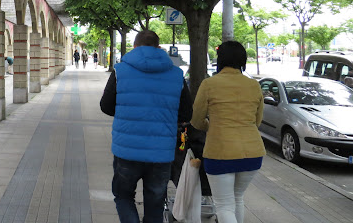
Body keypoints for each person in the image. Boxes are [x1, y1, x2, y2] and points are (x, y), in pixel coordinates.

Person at [100, 30, 192, 223]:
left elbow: (106, 106)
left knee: (123, 196)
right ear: (159, 48)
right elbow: (186, 114)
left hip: (127, 150)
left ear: (134, 46)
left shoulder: (120, 70)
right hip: (161, 153)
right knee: (156, 201)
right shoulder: (177, 75)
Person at [190, 41, 265, 223]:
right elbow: (257, 120)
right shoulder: (254, 85)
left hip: (220, 152)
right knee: (237, 198)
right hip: (253, 153)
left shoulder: (209, 84)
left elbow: (196, 120)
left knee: (224, 205)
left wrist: (211, 125)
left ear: (220, 59)